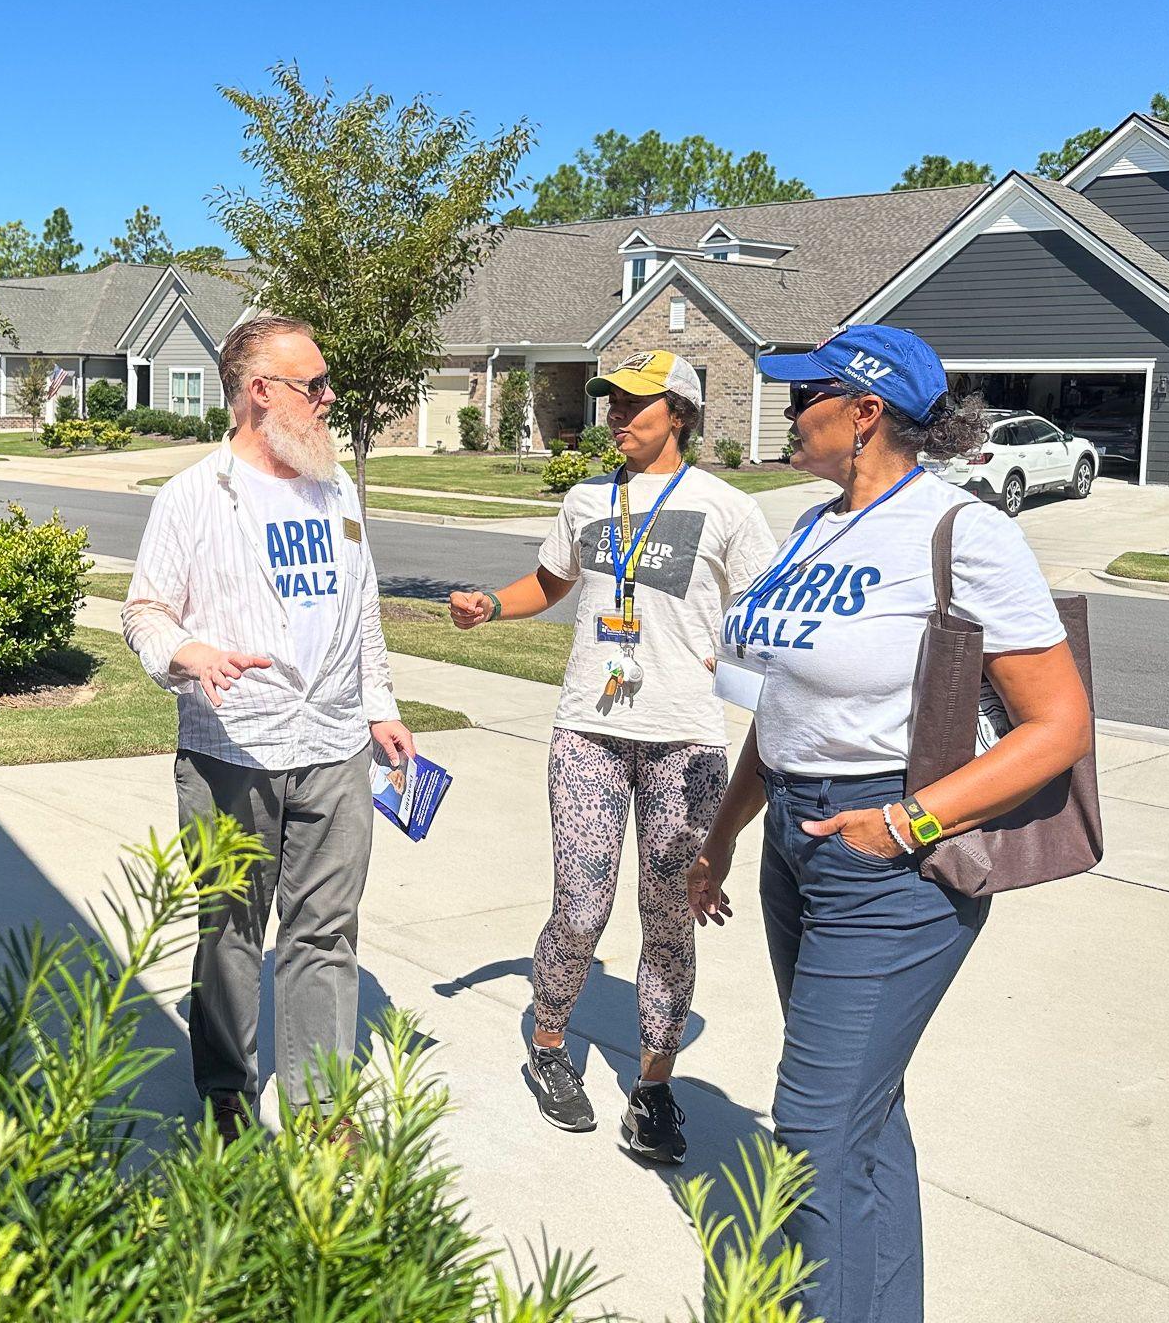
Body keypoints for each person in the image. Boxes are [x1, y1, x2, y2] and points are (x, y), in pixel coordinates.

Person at [687, 324, 1091, 1323]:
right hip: (792, 836)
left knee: (813, 1133)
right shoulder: (814, 525)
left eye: (802, 395)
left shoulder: (961, 533)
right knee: (861, 1120)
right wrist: (726, 833)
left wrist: (902, 823)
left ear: (863, 412)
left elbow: (1059, 725)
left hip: (887, 864)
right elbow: (785, 710)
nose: (785, 411)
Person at [448, 350, 776, 1161]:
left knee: (668, 917)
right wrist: (493, 604)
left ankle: (654, 1090)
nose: (619, 417)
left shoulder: (727, 509)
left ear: (682, 416)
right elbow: (551, 585)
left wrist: (730, 661)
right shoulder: (586, 500)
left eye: (638, 404)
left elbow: (763, 618)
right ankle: (551, 1043)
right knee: (582, 906)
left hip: (686, 740)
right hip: (588, 730)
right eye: (613, 402)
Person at [122, 316, 416, 1140]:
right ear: (260, 393)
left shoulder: (337, 490)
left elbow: (362, 609)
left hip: (333, 745)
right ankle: (224, 1084)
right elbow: (142, 612)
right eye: (312, 385)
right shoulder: (192, 496)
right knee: (231, 927)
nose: (329, 399)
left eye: (324, 385)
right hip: (232, 746)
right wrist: (186, 652)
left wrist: (380, 707)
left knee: (325, 930)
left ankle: (322, 1105)